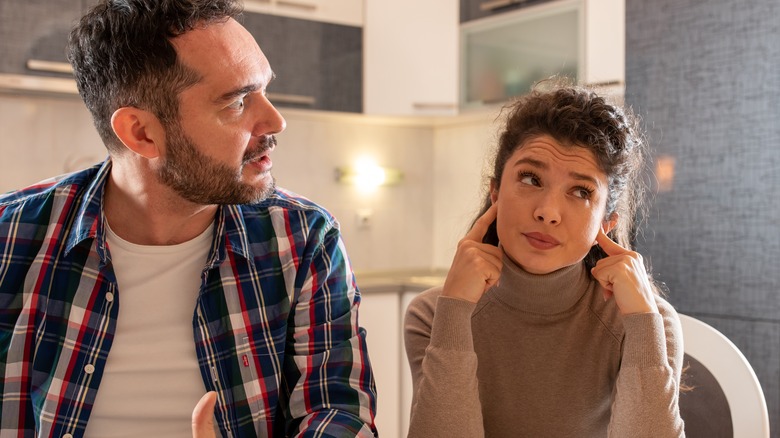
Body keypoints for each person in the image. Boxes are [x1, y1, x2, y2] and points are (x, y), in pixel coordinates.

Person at [0, 0, 377, 436]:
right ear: (141, 133)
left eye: (265, 90)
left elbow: (340, 411)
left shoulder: (303, 238)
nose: (275, 120)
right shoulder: (12, 235)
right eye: (237, 101)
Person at [404, 83, 685, 437]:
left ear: (607, 223)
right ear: (495, 194)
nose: (548, 212)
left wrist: (643, 327)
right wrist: (455, 313)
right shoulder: (433, 314)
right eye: (530, 179)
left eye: (580, 192)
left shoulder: (648, 321)